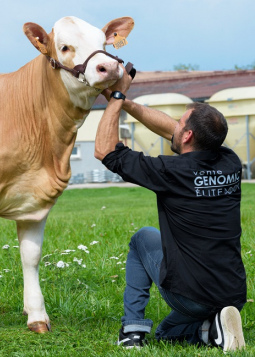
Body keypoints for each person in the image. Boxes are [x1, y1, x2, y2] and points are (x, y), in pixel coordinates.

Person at [93, 67, 247, 351]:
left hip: (192, 296)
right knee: (166, 334)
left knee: (142, 237)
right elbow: (172, 130)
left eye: (180, 124)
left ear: (188, 136)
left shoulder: (171, 171)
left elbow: (104, 151)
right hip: (231, 293)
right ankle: (212, 330)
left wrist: (115, 97)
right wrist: (126, 102)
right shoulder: (230, 161)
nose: (173, 126)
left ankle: (132, 331)